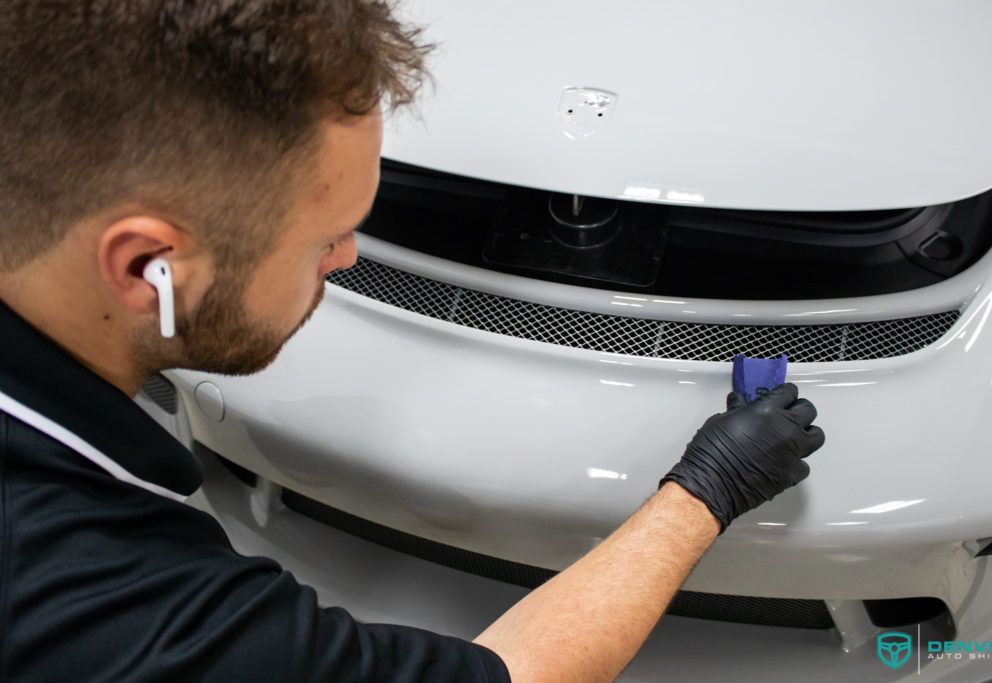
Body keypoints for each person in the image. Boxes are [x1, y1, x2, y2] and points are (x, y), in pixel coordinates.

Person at [0, 2, 825, 681]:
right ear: (150, 267)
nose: (348, 255)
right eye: (323, 240)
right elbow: (515, 673)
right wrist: (706, 490)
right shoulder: (119, 614)